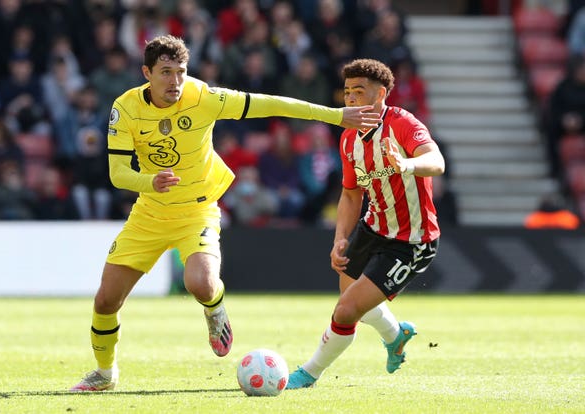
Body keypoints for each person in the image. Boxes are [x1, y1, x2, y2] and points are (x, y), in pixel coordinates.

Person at [70, 35, 379, 392]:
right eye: (166, 72)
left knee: (199, 284)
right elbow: (117, 172)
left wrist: (336, 115)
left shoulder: (203, 97)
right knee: (106, 300)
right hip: (149, 214)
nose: (175, 81)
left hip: (197, 210)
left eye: (181, 72)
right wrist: (148, 181)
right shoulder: (124, 109)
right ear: (146, 73)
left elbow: (271, 104)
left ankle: (214, 310)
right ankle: (105, 374)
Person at [286, 58, 445, 389]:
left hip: (412, 241)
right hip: (373, 228)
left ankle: (309, 373)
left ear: (381, 94)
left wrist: (408, 163)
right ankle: (394, 334)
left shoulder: (402, 123)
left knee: (346, 309)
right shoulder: (348, 139)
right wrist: (339, 239)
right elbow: (349, 195)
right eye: (347, 93)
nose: (351, 99)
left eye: (359, 91)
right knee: (351, 296)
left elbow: (437, 162)